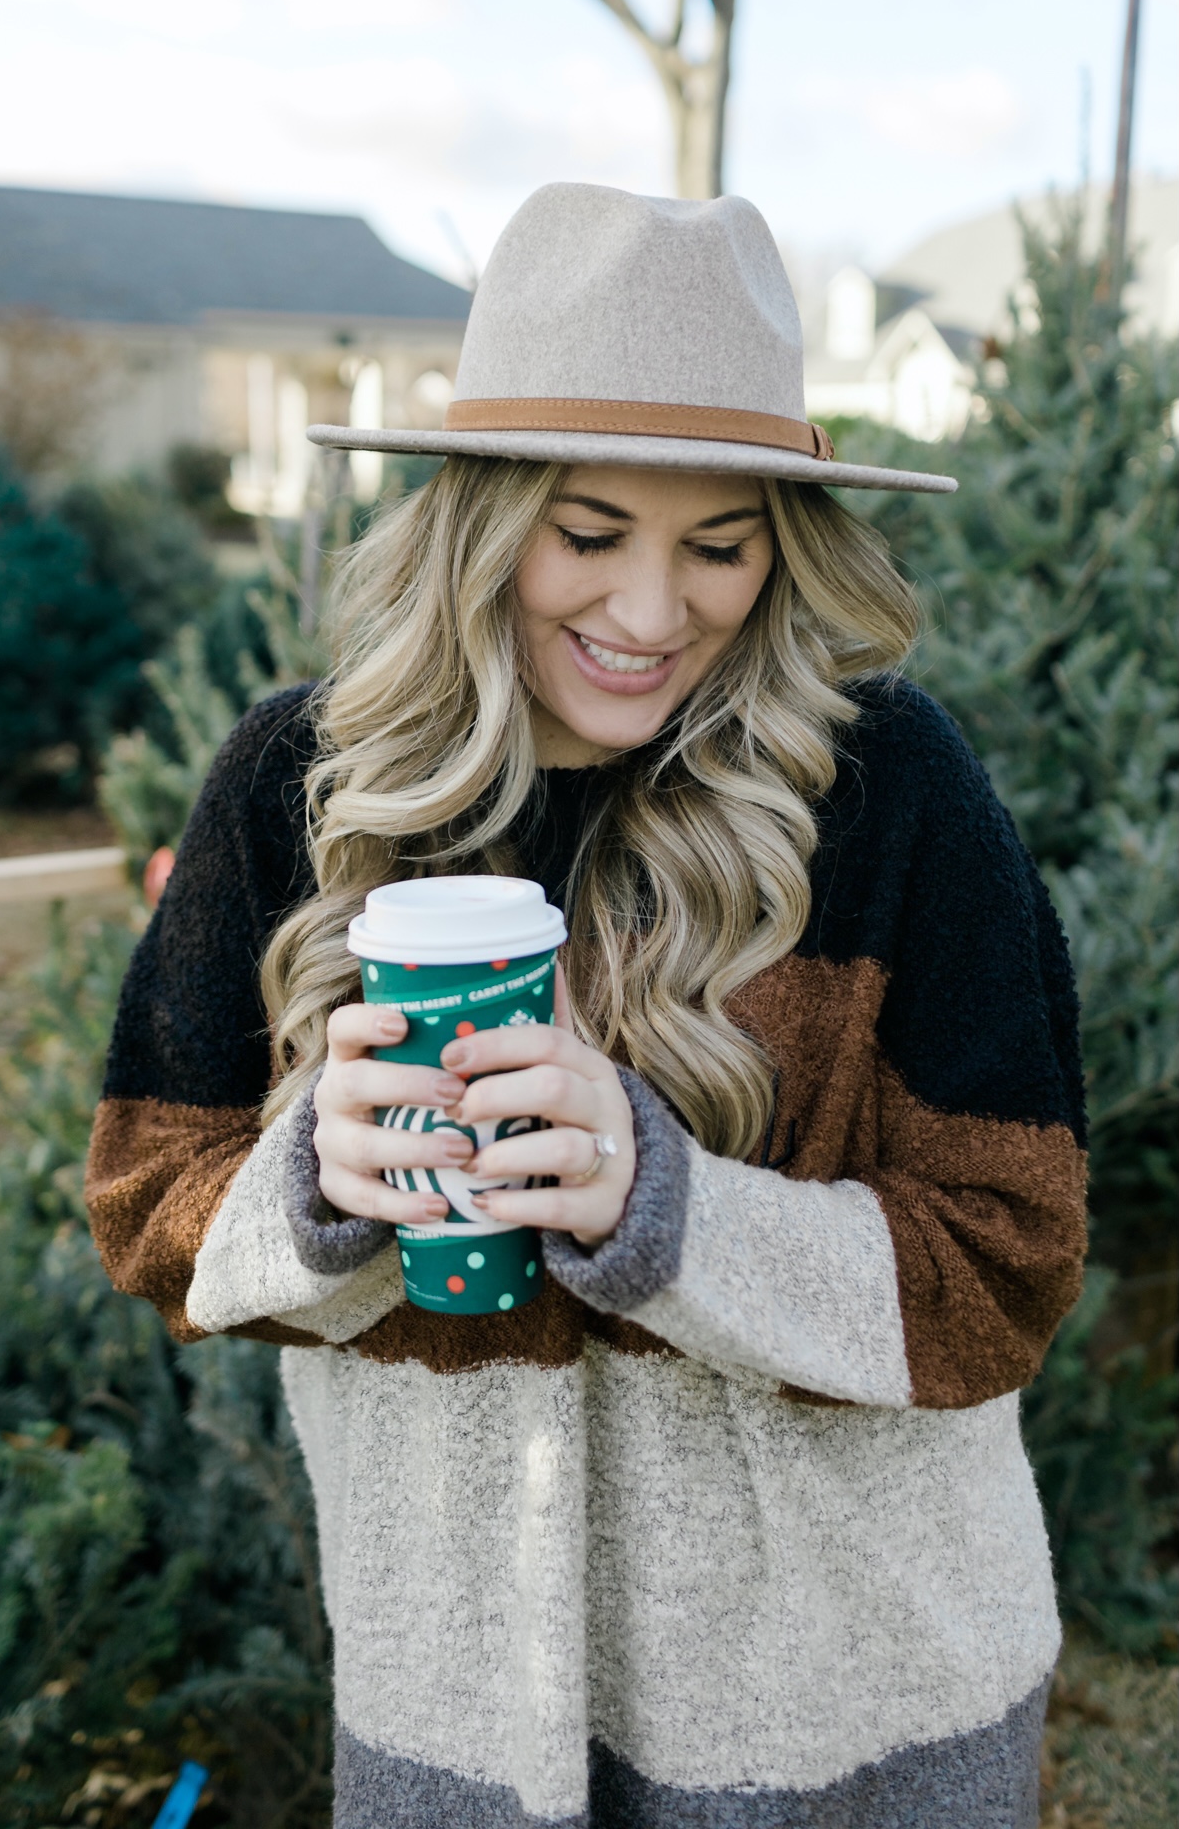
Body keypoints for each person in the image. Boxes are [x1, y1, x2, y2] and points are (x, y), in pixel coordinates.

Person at [87, 185, 1087, 1829]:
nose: (647, 615)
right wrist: (312, 1188)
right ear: (483, 515)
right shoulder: (299, 788)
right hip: (463, 1716)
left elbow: (1007, 1267)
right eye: (589, 532)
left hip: (844, 1712)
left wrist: (667, 1208)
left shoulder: (886, 789)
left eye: (720, 545)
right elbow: (149, 1209)